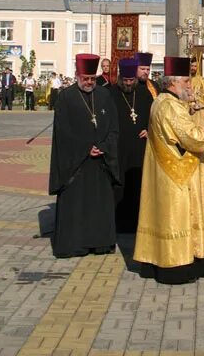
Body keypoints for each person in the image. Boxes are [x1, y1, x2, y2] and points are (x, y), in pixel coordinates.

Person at [134, 56, 204, 284]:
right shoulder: (170, 106)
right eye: (186, 81)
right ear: (172, 83)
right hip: (177, 175)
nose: (190, 85)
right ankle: (178, 268)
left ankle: (158, 262)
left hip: (166, 172)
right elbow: (193, 137)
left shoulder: (163, 102)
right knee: (176, 219)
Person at [49, 53, 120, 258]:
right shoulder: (66, 97)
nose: (89, 82)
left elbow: (113, 127)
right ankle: (75, 244)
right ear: (77, 75)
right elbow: (62, 132)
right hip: (76, 164)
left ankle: (100, 243)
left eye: (92, 78)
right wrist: (85, 147)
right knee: (77, 205)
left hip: (101, 163)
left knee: (99, 204)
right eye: (85, 78)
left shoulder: (105, 96)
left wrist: (104, 146)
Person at [111, 58, 154, 233]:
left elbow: (155, 117)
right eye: (126, 81)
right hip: (119, 147)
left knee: (138, 183)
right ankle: (118, 222)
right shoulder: (111, 93)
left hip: (139, 147)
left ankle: (138, 222)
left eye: (131, 81)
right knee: (119, 184)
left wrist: (149, 129)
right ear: (121, 78)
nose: (129, 84)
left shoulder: (144, 94)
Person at [189, 55, 204, 124]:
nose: (193, 68)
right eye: (192, 66)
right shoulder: (186, 80)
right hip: (188, 112)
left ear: (198, 68)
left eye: (195, 66)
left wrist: (194, 100)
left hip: (200, 114)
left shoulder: (202, 80)